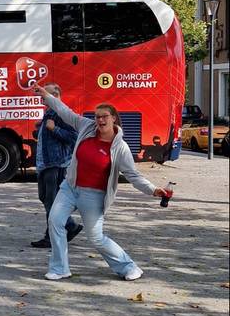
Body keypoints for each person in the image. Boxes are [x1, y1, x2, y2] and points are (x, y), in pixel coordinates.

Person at [33, 85, 168, 281]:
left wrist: (153, 190)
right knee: (55, 221)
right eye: (97, 116)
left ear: (113, 118)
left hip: (93, 195)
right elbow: (65, 111)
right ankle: (60, 268)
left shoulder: (120, 147)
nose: (100, 120)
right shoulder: (86, 127)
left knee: (95, 238)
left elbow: (133, 175)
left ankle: (129, 266)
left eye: (104, 116)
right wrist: (47, 96)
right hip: (70, 188)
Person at [31, 83, 83, 248]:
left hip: (56, 165)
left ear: (55, 95)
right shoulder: (49, 113)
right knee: (46, 199)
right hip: (45, 164)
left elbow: (75, 137)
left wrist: (54, 130)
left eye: (45, 94)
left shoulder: (62, 113)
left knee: (51, 201)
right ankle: (70, 226)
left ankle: (52, 236)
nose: (42, 97)